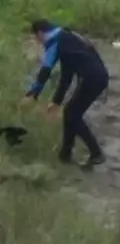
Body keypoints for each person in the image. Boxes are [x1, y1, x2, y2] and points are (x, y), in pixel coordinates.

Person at [23, 19, 110, 167]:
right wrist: (56, 102)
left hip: (92, 78)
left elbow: (45, 70)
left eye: (37, 39)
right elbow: (66, 76)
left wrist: (32, 94)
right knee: (70, 112)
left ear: (40, 33)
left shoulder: (55, 41)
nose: (40, 43)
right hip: (98, 77)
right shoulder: (67, 38)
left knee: (72, 115)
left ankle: (96, 153)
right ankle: (65, 155)